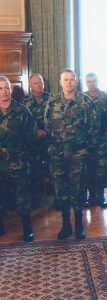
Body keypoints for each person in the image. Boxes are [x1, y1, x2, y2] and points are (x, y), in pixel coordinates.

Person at [44, 68, 98, 240]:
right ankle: (66, 225)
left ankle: (79, 226)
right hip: (58, 155)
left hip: (78, 155)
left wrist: (83, 146)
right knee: (61, 190)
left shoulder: (86, 102)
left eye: (72, 79)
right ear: (60, 82)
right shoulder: (52, 102)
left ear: (76, 81)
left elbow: (94, 127)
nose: (69, 82)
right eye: (65, 79)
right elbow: (47, 125)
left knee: (79, 190)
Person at [0, 76, 36, 242]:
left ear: (11, 89)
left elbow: (32, 136)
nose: (4, 92)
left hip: (17, 161)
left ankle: (27, 227)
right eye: (0, 89)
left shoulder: (22, 111)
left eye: (7, 88)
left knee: (23, 195)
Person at [84, 73, 107, 208]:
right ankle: (91, 196)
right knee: (89, 170)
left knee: (102, 170)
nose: (92, 84)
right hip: (86, 142)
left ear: (98, 81)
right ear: (86, 83)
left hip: (103, 141)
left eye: (94, 81)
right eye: (89, 81)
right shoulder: (82, 98)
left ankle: (101, 196)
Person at [24, 73, 53, 206]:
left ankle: (56, 199)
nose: (40, 85)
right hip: (33, 144)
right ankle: (35, 199)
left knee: (53, 171)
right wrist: (35, 132)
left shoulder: (52, 100)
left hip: (50, 142)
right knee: (34, 172)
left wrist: (46, 131)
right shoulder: (25, 103)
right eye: (36, 83)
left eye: (41, 82)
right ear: (30, 85)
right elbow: (22, 125)